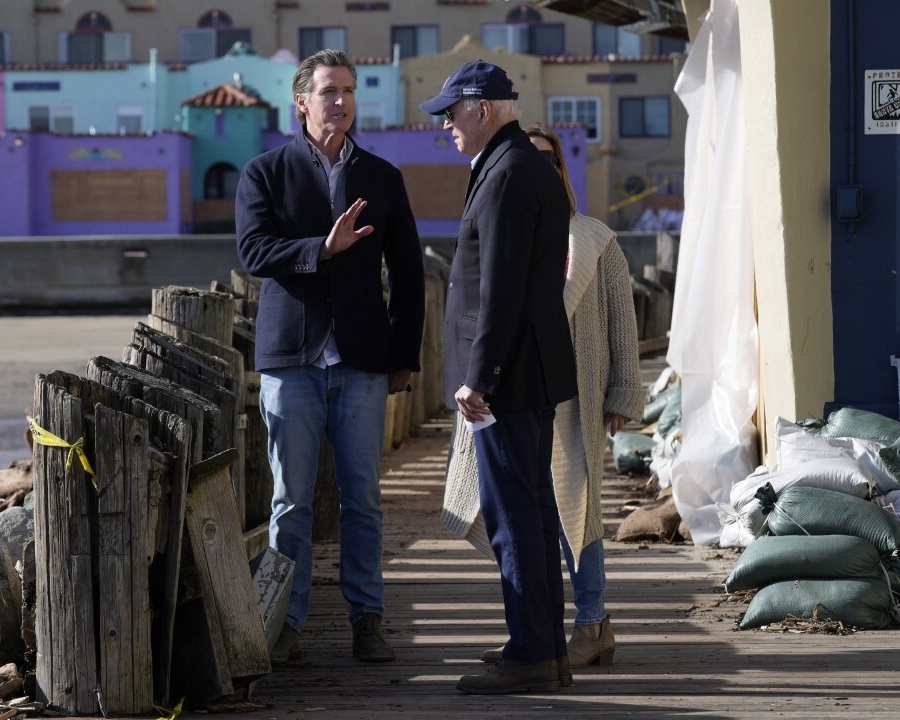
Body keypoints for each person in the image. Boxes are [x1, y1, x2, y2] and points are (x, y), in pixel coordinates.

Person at [235, 48, 425, 665]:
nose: (340, 102)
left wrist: (405, 353)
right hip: (291, 360)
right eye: (328, 92)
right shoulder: (265, 172)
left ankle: (367, 619)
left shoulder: (382, 176)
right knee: (290, 500)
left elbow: (409, 274)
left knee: (363, 499)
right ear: (302, 101)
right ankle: (285, 622)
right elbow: (254, 252)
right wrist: (324, 246)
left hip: (363, 363)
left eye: (348, 91)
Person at [441, 125, 644, 672]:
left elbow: (623, 321)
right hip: (515, 388)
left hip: (575, 392)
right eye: (530, 160)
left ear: (562, 170)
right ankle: (539, 634)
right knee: (526, 512)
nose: (541, 169)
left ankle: (592, 622)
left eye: (551, 161)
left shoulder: (595, 238)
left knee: (576, 512)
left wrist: (624, 390)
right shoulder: (507, 229)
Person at [420, 59, 577, 694]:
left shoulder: (508, 173)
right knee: (531, 511)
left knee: (515, 515)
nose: (447, 127)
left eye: (452, 114)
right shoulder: (519, 164)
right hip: (528, 370)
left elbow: (501, 289)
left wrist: (478, 376)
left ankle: (534, 655)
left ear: (482, 107)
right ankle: (543, 646)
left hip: (507, 378)